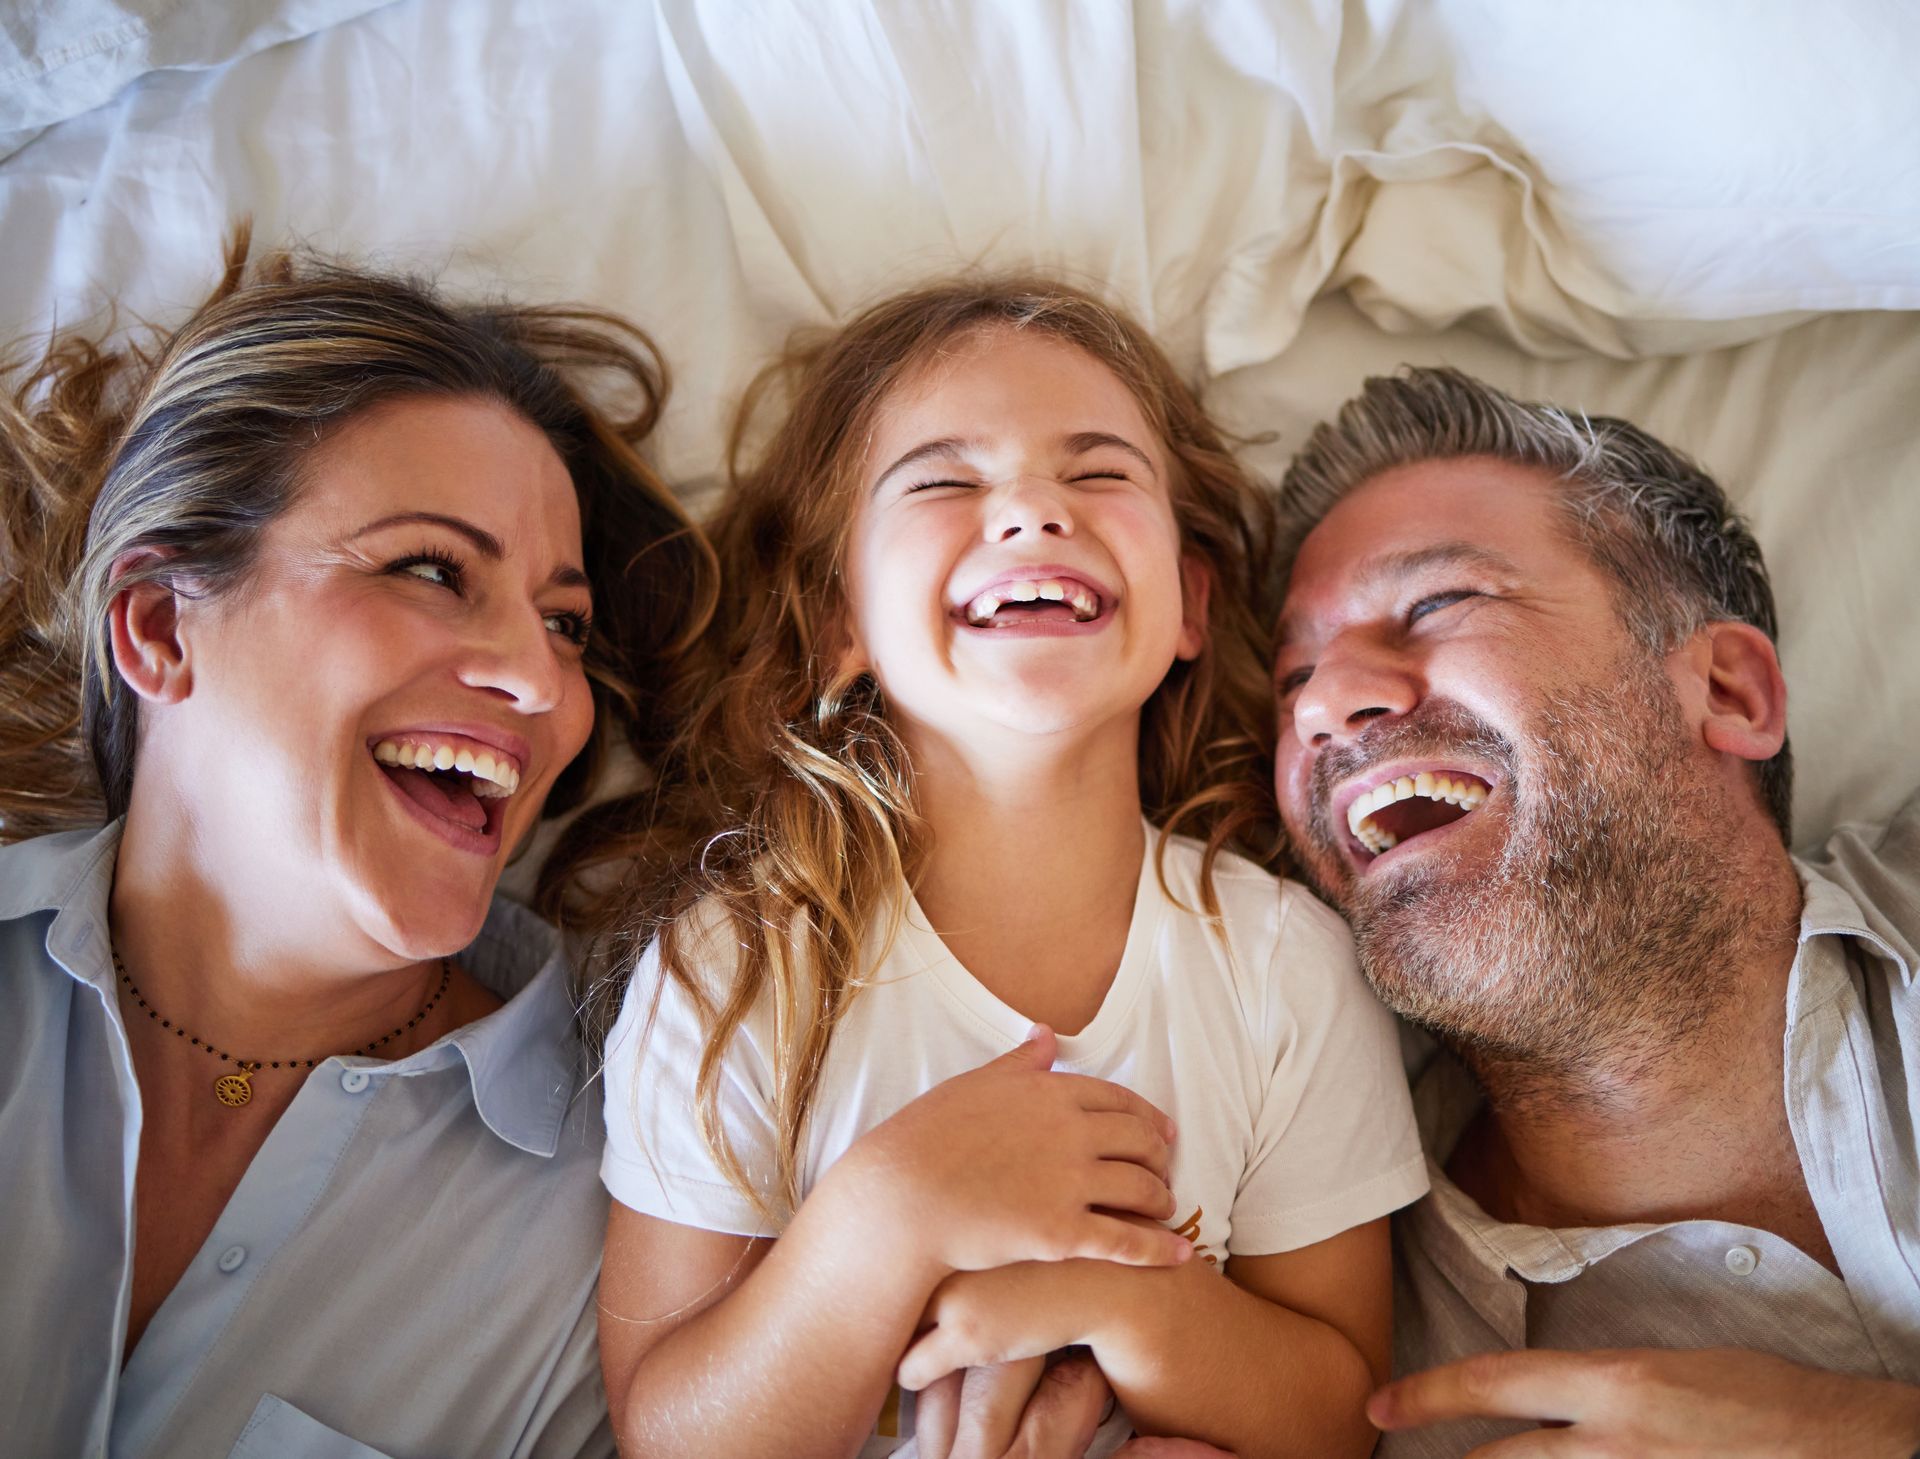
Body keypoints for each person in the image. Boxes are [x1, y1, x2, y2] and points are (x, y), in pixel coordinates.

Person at [589, 278, 1427, 1459]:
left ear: (1188, 601)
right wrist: (890, 1213)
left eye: (1098, 474)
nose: (1034, 509)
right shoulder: (734, 969)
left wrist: (1121, 1302)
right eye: (942, 479)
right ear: (842, 619)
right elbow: (671, 1440)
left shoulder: (1283, 966)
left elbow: (1341, 1420)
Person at [0, 233, 715, 1457]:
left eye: (566, 624)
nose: (541, 681)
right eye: (432, 570)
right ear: (163, 625)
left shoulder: (652, 1183)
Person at [1266, 366, 1920, 1456]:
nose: (1329, 705)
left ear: (1729, 693)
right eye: (1292, 682)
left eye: (1437, 602)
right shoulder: (1336, 1374)